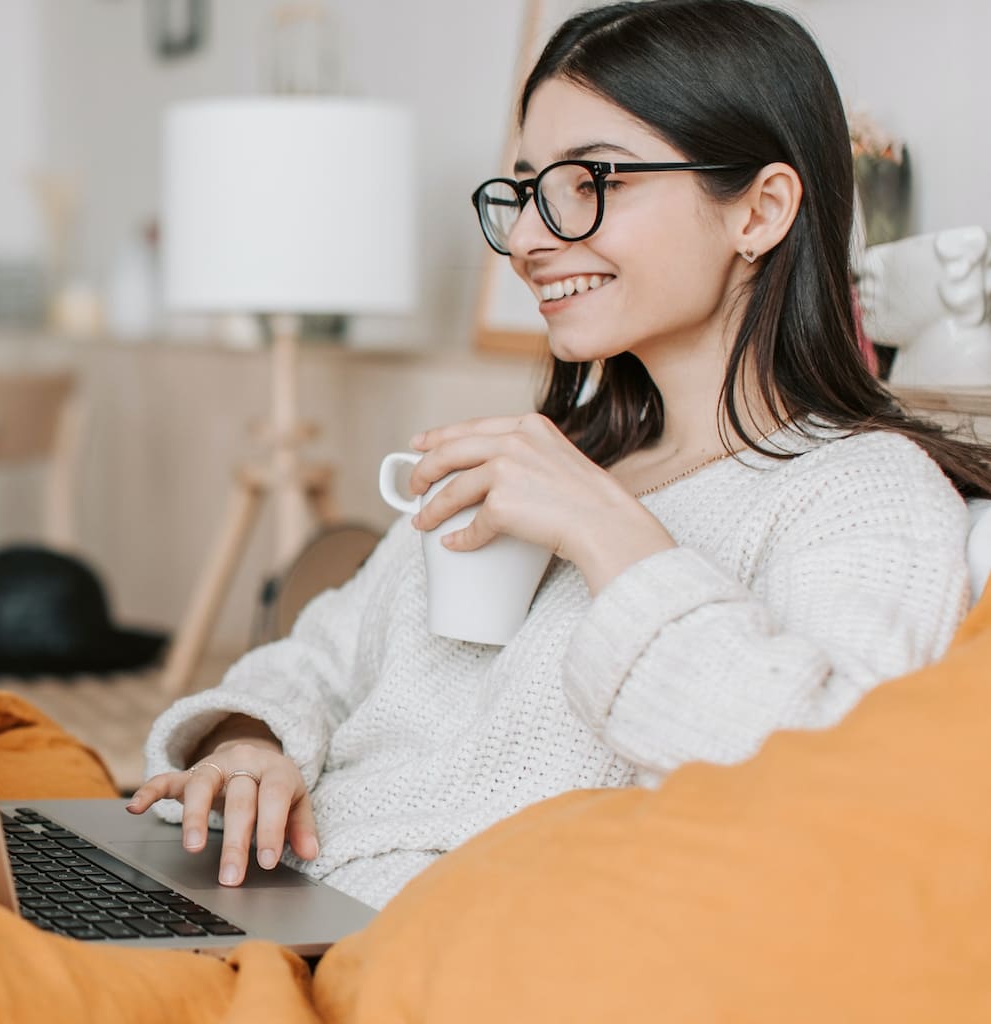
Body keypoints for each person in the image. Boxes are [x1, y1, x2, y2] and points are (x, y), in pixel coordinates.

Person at [126, 0, 991, 911]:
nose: (533, 239)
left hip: (420, 949)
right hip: (263, 891)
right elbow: (318, 658)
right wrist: (253, 745)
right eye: (529, 189)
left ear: (761, 211)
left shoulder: (859, 493)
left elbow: (828, 781)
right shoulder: (551, 456)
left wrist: (607, 535)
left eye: (592, 183)